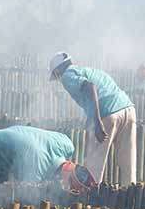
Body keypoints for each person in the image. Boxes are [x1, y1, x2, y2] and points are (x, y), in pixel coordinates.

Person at [50, 52, 137, 185]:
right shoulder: (91, 71)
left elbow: (91, 88)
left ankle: (90, 199)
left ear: (57, 71)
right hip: (128, 110)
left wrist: (97, 122)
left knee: (94, 165)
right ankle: (132, 195)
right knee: (128, 162)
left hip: (108, 113)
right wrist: (90, 118)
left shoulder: (67, 76)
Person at [0, 125, 95, 192]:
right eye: (69, 184)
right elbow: (25, 190)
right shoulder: (37, 170)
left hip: (10, 131)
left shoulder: (68, 145)